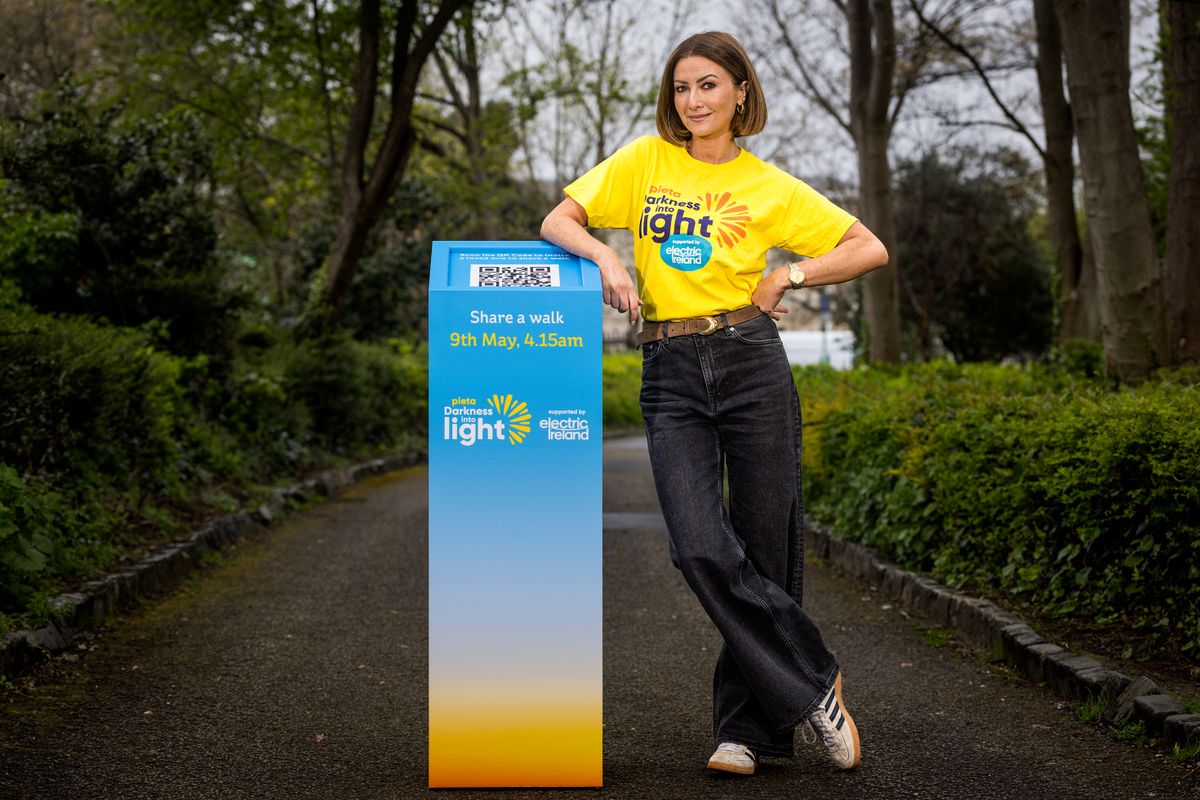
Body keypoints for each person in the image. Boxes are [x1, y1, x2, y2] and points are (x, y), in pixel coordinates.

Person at [540, 30, 888, 776]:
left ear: (739, 93)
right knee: (699, 542)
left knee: (765, 548)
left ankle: (748, 734)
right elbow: (559, 219)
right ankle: (815, 680)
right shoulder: (644, 162)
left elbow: (867, 247)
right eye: (681, 88)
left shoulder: (769, 184)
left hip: (749, 360)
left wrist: (790, 276)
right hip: (669, 366)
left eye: (707, 86)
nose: (692, 100)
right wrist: (605, 252)